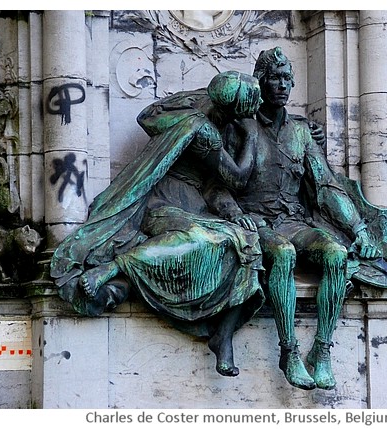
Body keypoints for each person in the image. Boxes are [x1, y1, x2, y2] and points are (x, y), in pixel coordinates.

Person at [50, 71, 265, 378]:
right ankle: (114, 269)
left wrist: (232, 213)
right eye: (250, 108)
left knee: (247, 244)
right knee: (199, 238)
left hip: (197, 206)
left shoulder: (200, 111)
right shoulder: (205, 130)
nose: (254, 112)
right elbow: (238, 178)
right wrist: (252, 134)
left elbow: (150, 118)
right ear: (235, 110)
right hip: (163, 204)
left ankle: (224, 337)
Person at [204, 47, 386, 390]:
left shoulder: (302, 132)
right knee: (283, 254)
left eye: (288, 78)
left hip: (293, 220)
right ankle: (289, 352)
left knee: (336, 254)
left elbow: (325, 187)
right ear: (260, 82)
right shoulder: (237, 128)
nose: (283, 85)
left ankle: (322, 351)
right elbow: (214, 186)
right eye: (275, 77)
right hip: (255, 221)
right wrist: (235, 214)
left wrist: (358, 228)